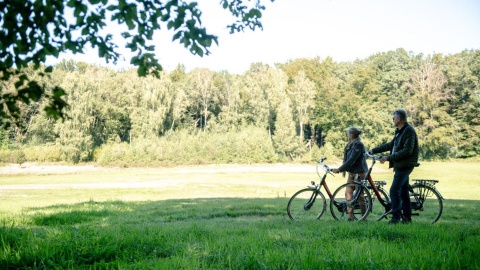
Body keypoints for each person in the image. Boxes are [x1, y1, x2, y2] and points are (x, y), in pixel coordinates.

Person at [368, 109, 419, 224]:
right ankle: (407, 218)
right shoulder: (399, 131)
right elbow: (390, 145)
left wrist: (388, 158)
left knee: (394, 190)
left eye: (394, 118)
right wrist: (373, 150)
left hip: (406, 164)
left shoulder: (409, 131)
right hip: (400, 165)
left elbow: (407, 150)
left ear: (399, 119)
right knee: (403, 192)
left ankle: (395, 218)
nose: (392, 119)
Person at [332, 127, 369, 221]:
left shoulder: (359, 145)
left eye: (348, 134)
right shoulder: (350, 145)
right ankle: (350, 216)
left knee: (360, 196)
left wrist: (340, 169)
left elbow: (352, 160)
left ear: (352, 135)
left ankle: (364, 217)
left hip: (359, 173)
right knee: (348, 193)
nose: (347, 135)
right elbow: (348, 160)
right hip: (351, 173)